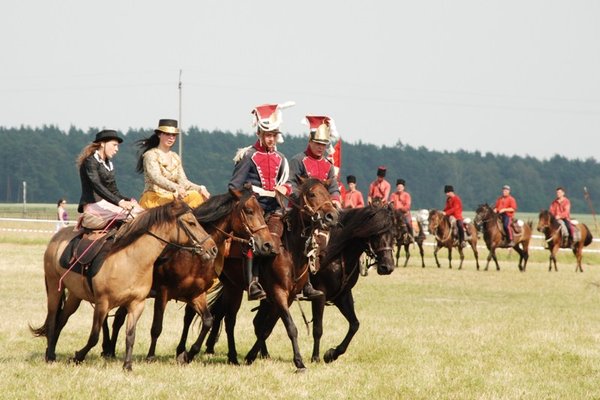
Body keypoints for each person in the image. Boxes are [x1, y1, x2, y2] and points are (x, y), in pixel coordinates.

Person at [229, 102, 296, 301]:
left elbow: (288, 184)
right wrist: (251, 198)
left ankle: (302, 282)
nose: (271, 139)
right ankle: (252, 283)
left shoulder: (282, 158)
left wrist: (284, 188)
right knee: (255, 240)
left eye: (274, 135)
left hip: (275, 208)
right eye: (268, 135)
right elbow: (234, 187)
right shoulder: (248, 156)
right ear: (259, 134)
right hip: (254, 210)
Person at [289, 114, 343, 300]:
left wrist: (335, 199)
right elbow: (291, 186)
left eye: (324, 145)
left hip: (323, 214)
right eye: (318, 144)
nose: (321, 148)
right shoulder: (298, 160)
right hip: (301, 213)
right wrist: (304, 203)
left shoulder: (328, 165)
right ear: (310, 141)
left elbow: (333, 187)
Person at [137, 119, 210, 209]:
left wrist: (200, 188)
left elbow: (183, 182)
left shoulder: (175, 157)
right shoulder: (150, 155)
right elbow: (156, 178)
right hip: (154, 199)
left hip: (171, 197)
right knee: (192, 196)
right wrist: (176, 188)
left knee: (196, 195)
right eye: (167, 134)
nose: (171, 138)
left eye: (174, 135)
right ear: (159, 135)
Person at [77, 129, 143, 229]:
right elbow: (96, 185)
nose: (117, 149)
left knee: (141, 212)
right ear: (103, 144)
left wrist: (127, 200)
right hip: (93, 205)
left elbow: (113, 191)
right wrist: (120, 202)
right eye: (114, 145)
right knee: (135, 215)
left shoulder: (108, 164)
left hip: (105, 204)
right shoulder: (90, 161)